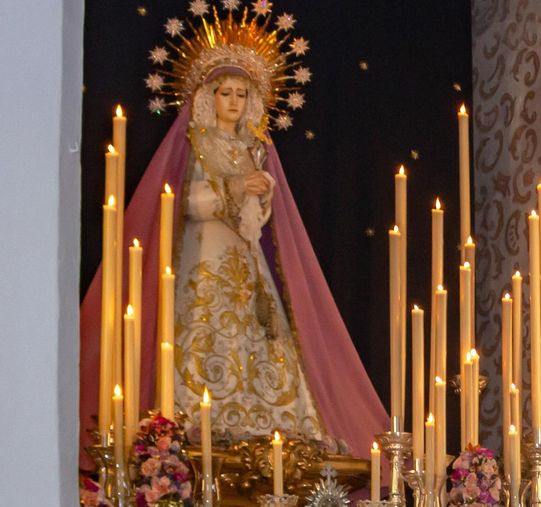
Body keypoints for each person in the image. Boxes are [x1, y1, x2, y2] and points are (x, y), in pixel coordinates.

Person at [77, 8, 387, 454]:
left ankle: (269, 430)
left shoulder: (253, 149)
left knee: (261, 341)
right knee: (203, 336)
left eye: (243, 94)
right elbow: (180, 202)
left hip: (247, 258)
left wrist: (261, 194)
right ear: (209, 96)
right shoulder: (195, 144)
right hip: (203, 257)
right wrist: (234, 188)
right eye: (226, 93)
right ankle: (189, 426)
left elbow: (266, 221)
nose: (235, 102)